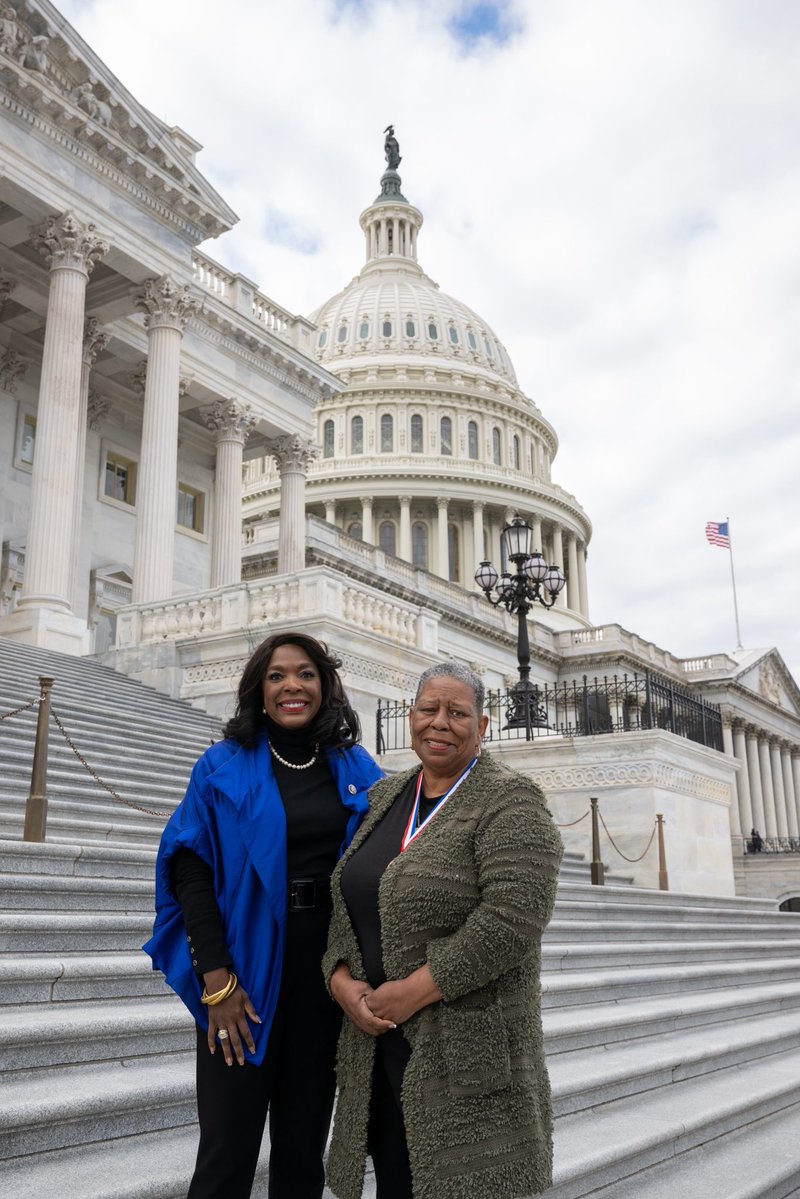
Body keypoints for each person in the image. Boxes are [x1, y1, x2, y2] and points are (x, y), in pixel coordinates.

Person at [143, 633, 383, 1199]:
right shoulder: (222, 765)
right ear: (259, 688)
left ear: (325, 685)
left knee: (302, 1154)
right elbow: (190, 869)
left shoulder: (355, 767)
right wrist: (216, 978)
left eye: (305, 674)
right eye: (277, 676)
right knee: (227, 1151)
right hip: (242, 972)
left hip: (323, 975)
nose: (292, 686)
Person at [323, 662, 564, 1199]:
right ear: (410, 717)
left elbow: (514, 918)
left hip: (464, 1052)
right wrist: (340, 979)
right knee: (395, 1182)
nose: (440, 723)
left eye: (457, 713)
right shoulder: (386, 798)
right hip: (378, 1047)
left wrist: (413, 992)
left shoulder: (510, 799)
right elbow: (349, 898)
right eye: (429, 709)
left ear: (481, 727)